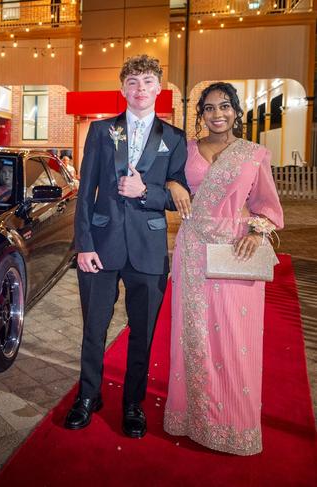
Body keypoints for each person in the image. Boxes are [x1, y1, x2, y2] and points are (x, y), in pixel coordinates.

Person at [65, 55, 188, 437]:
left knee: (143, 331)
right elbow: (85, 194)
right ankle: (88, 395)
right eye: (133, 82)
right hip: (101, 247)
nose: (140, 89)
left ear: (159, 89)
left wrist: (146, 191)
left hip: (149, 251)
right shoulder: (101, 131)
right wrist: (84, 245)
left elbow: (179, 197)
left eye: (148, 81)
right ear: (123, 89)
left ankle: (133, 402)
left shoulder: (175, 138)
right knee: (94, 327)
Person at [163, 82, 284, 456]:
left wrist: (256, 230)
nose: (218, 114)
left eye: (225, 106)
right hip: (194, 248)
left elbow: (268, 206)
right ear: (200, 114)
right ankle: (191, 417)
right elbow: (164, 180)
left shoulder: (254, 154)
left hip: (235, 251)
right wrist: (170, 181)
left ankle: (234, 423)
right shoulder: (185, 151)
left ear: (236, 111)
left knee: (235, 337)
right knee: (193, 334)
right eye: (210, 108)